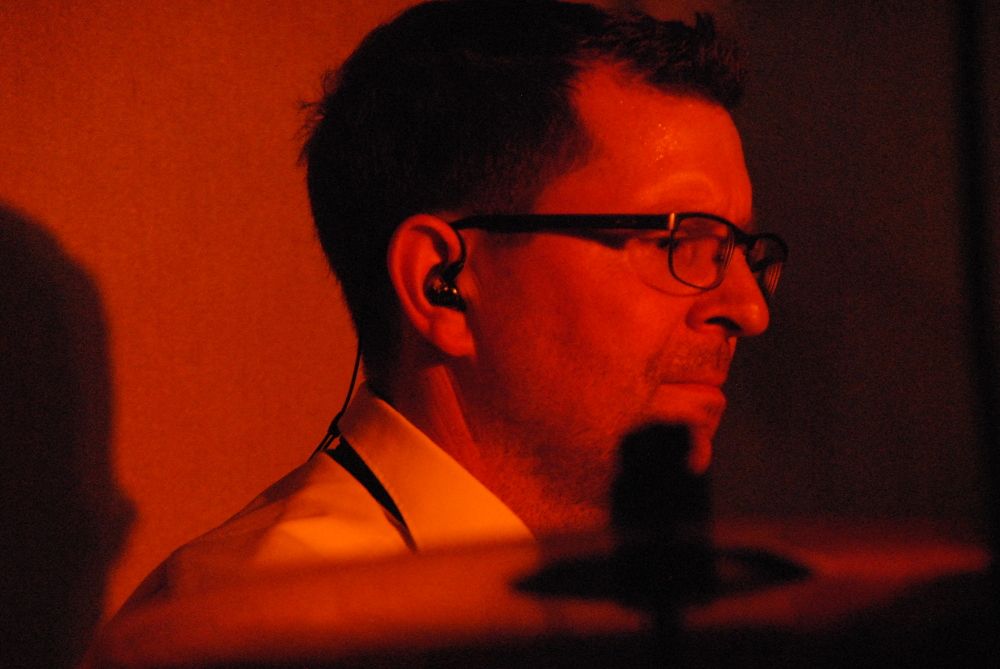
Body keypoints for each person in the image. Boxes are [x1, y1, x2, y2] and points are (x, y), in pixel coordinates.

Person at [118, 0, 786, 608]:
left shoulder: (615, 595)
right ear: (442, 282)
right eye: (681, 241)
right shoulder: (274, 621)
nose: (749, 308)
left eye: (743, 252)